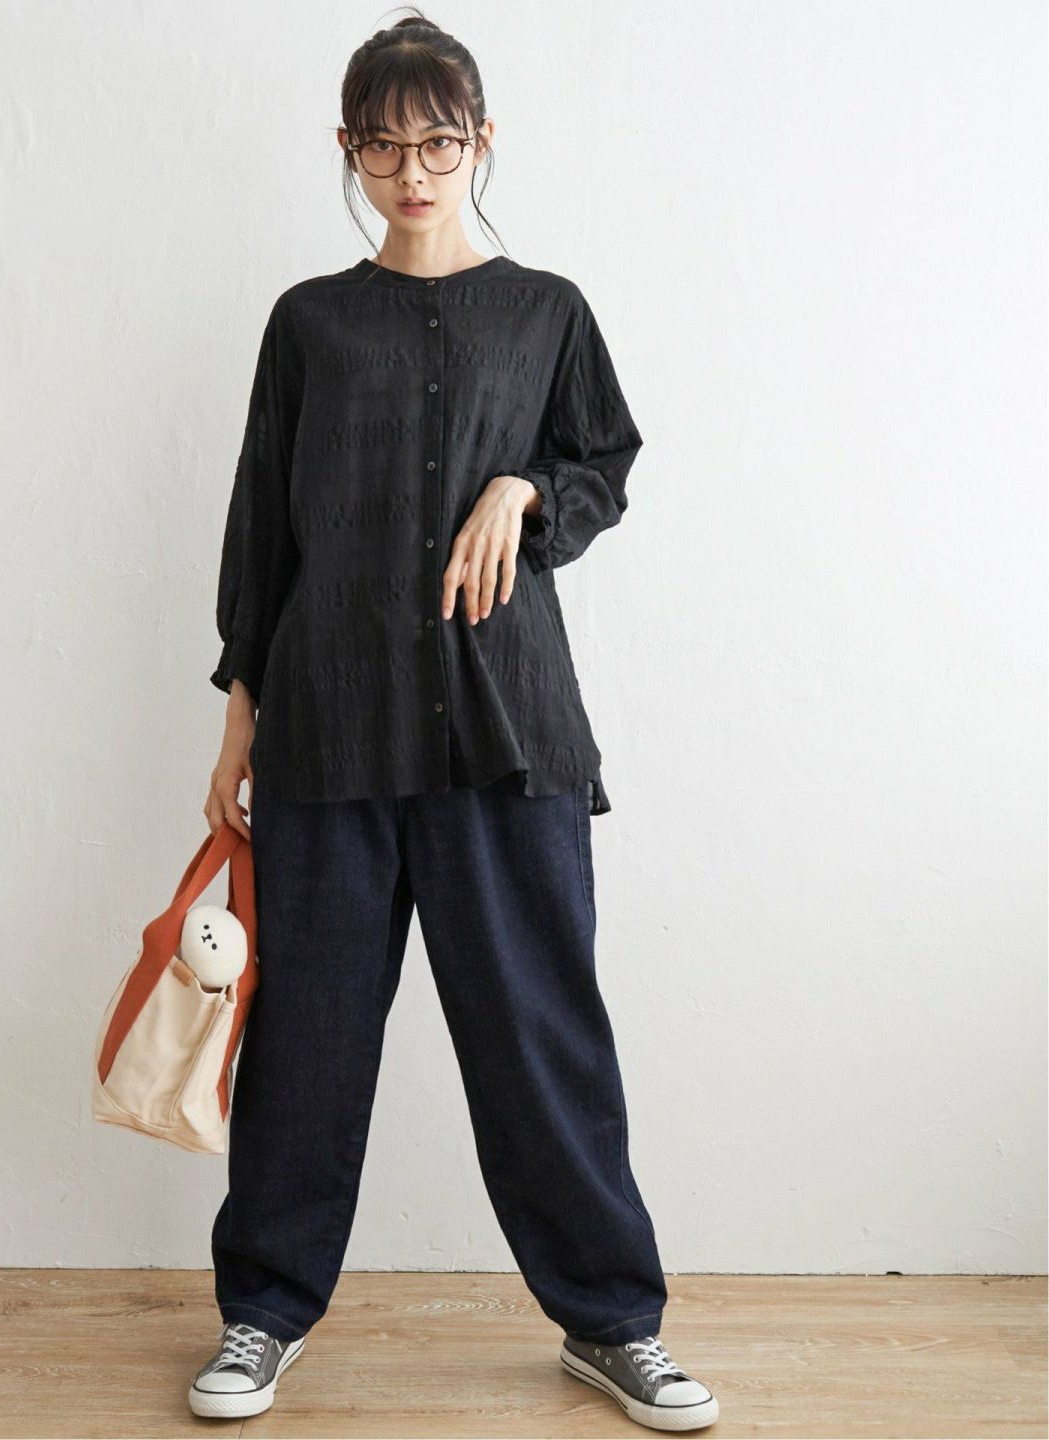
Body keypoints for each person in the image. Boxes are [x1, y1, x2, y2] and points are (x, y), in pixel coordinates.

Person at [187, 9, 718, 1431]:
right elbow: (263, 527)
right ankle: (262, 1315)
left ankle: (612, 1323)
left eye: (437, 142)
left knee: (541, 1037)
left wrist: (524, 489)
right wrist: (238, 722)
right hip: (328, 732)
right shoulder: (309, 322)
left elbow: (605, 460)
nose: (412, 172)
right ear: (347, 150)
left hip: (508, 737)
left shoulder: (547, 312)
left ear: (483, 141)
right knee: (306, 1045)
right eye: (383, 146)